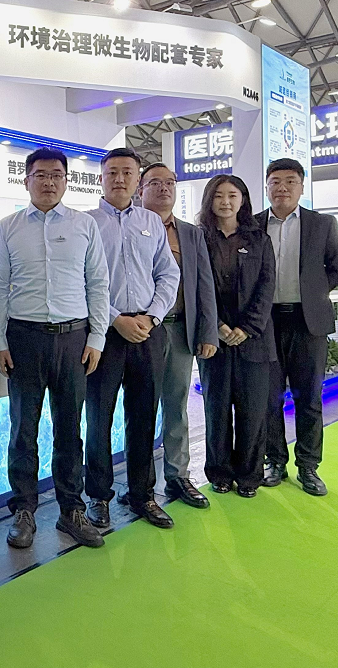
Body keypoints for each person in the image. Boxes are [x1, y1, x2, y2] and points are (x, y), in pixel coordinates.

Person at [0, 147, 111, 549]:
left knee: (69, 429)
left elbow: (98, 284)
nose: (49, 182)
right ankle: (24, 509)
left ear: (66, 180)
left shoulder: (84, 225)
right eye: (40, 175)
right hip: (23, 339)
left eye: (56, 175)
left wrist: (97, 338)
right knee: (23, 429)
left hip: (74, 340)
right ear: (26, 180)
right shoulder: (8, 227)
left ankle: (70, 509)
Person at [84, 148, 179, 529]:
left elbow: (168, 274)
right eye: (112, 172)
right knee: (98, 417)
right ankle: (99, 496)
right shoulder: (86, 223)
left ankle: (142, 494)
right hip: (102, 334)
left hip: (148, 332)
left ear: (138, 180)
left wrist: (152, 316)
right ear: (101, 178)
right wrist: (115, 319)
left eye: (127, 172)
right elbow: (81, 280)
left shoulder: (151, 222)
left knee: (143, 416)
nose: (120, 179)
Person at [256, 158, 338, 497]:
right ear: (267, 186)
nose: (282, 188)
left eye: (290, 181)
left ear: (301, 187)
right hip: (265, 322)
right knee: (268, 397)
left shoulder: (322, 223)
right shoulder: (253, 225)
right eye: (275, 181)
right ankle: (275, 461)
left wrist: (313, 292)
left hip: (307, 321)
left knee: (308, 397)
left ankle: (308, 466)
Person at [137, 163, 219, 510]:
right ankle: (139, 485)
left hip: (179, 329)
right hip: (139, 330)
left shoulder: (190, 233)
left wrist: (208, 331)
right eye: (154, 182)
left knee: (176, 405)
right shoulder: (128, 225)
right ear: (141, 189)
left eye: (169, 182)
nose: (163, 188)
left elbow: (204, 284)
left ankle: (178, 476)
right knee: (138, 409)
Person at [197, 175, 276, 498]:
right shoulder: (199, 237)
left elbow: (266, 287)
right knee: (216, 410)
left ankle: (249, 475)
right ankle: (219, 472)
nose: (226, 202)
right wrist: (216, 325)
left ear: (243, 200)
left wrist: (246, 328)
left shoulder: (259, 239)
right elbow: (196, 286)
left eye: (232, 195)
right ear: (209, 200)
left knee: (252, 411)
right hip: (213, 338)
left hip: (253, 339)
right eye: (219, 195)